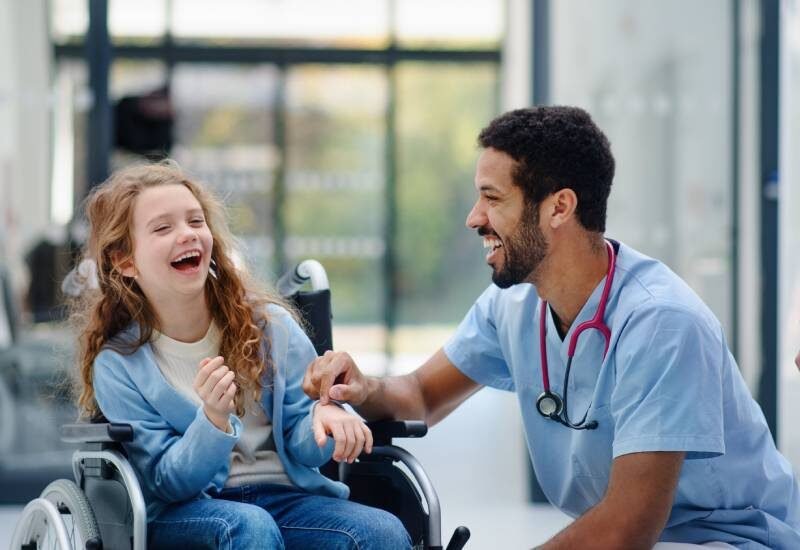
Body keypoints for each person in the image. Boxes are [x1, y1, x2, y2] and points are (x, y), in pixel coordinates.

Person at [304, 106, 800, 549]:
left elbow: (627, 530)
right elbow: (420, 395)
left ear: (559, 207)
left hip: (730, 539)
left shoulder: (661, 323)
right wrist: (364, 386)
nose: (474, 218)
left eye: (492, 198)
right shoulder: (516, 302)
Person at [72, 162, 411, 550]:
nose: (187, 234)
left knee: (380, 532)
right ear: (125, 260)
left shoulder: (271, 327)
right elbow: (167, 480)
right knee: (249, 528)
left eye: (196, 222)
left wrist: (325, 419)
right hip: (187, 509)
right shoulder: (119, 364)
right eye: (163, 228)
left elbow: (303, 442)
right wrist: (213, 422)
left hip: (285, 498)